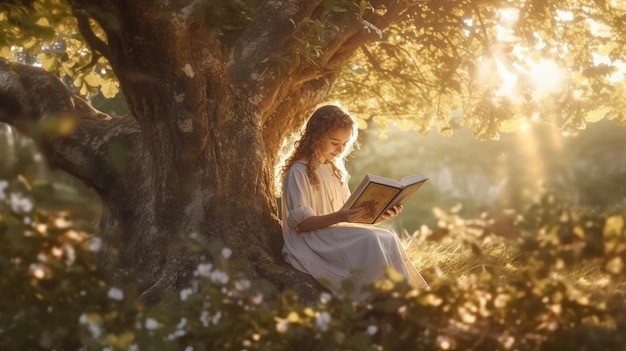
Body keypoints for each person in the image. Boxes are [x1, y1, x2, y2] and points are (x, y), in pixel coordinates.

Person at [280, 104, 429, 300]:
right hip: (312, 240)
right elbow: (301, 224)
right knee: (372, 239)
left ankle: (401, 296)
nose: (341, 149)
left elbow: (347, 219)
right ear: (316, 137)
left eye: (345, 143)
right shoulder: (298, 172)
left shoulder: (335, 170)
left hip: (335, 232)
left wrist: (377, 215)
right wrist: (342, 216)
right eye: (334, 143)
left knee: (387, 237)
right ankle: (372, 298)